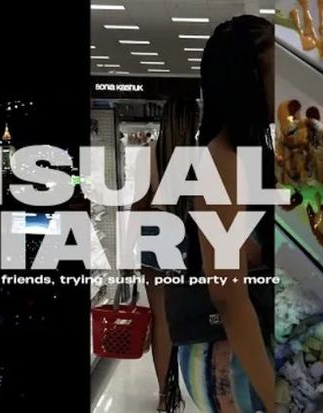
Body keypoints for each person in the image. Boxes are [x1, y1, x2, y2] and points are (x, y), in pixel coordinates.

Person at [162, 15, 276, 413]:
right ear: (248, 79)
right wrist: (275, 397)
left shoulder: (244, 155)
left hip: (238, 349)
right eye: (277, 72)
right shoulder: (222, 161)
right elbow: (227, 296)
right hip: (232, 361)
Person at [132, 96, 201, 412]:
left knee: (161, 319)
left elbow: (138, 204)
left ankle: (165, 395)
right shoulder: (199, 156)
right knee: (186, 316)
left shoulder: (148, 154)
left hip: (154, 233)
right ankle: (193, 385)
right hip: (187, 235)